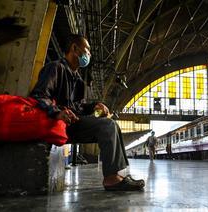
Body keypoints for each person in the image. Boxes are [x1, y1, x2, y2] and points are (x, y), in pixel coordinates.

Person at [30, 34, 144, 191]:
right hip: (57, 123)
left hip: (71, 123)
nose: (89, 54)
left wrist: (94, 107)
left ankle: (122, 174)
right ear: (75, 49)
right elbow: (39, 96)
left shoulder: (77, 79)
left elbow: (78, 107)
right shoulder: (55, 68)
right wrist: (57, 112)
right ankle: (111, 179)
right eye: (87, 50)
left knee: (114, 126)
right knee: (107, 126)